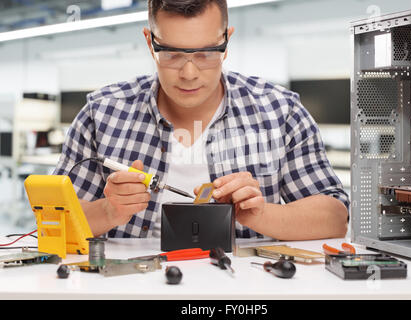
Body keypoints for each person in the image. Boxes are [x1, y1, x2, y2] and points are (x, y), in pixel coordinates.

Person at [53, 0, 349, 240]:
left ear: (226, 41)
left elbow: (335, 218)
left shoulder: (280, 111)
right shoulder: (102, 113)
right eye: (171, 53)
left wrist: (257, 214)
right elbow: (52, 220)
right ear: (149, 42)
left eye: (207, 53)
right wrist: (108, 211)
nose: (190, 73)